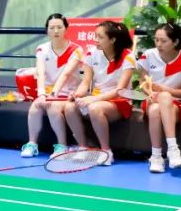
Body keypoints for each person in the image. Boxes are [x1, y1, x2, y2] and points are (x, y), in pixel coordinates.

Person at [63, 21, 136, 165]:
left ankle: (106, 152)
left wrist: (93, 100)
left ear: (113, 40)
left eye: (100, 37)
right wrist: (77, 94)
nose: (96, 40)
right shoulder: (91, 53)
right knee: (69, 107)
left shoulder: (128, 56)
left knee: (95, 108)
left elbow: (120, 90)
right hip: (97, 98)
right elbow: (86, 82)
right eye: (95, 36)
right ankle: (83, 148)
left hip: (120, 101)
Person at [137, 23, 181, 173]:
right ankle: (169, 151)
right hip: (152, 100)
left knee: (160, 103)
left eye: (163, 41)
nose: (158, 44)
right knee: (155, 108)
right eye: (156, 40)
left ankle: (158, 155)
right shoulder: (148, 55)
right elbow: (142, 83)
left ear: (175, 42)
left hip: (177, 104)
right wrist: (150, 92)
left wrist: (164, 90)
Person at [19, 14, 83, 157]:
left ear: (66, 29)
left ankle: (62, 146)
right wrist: (42, 94)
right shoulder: (41, 49)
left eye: (59, 27)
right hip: (47, 93)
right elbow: (40, 72)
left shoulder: (76, 50)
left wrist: (53, 95)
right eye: (52, 27)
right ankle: (32, 144)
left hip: (68, 93)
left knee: (53, 107)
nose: (56, 31)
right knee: (35, 107)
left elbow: (66, 74)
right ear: (47, 30)